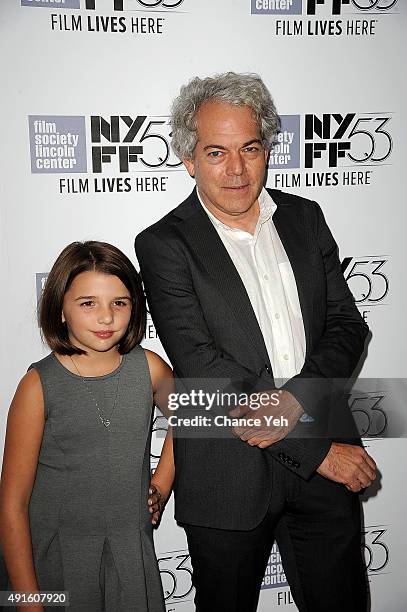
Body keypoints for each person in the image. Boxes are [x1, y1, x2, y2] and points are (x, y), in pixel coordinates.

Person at [135, 72, 377, 612]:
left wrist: (295, 405)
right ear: (189, 159)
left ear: (267, 146)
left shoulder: (305, 217)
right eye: (216, 152)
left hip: (324, 455)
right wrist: (315, 453)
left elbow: (347, 326)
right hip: (231, 474)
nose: (237, 169)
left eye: (250, 147)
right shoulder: (163, 243)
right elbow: (203, 366)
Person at [0, 241, 174, 612]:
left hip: (131, 559)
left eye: (120, 303)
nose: (106, 317)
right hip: (55, 566)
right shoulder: (37, 386)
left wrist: (161, 483)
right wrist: (29, 603)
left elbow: (193, 418)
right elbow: (12, 504)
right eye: (88, 303)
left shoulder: (151, 368)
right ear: (60, 307)